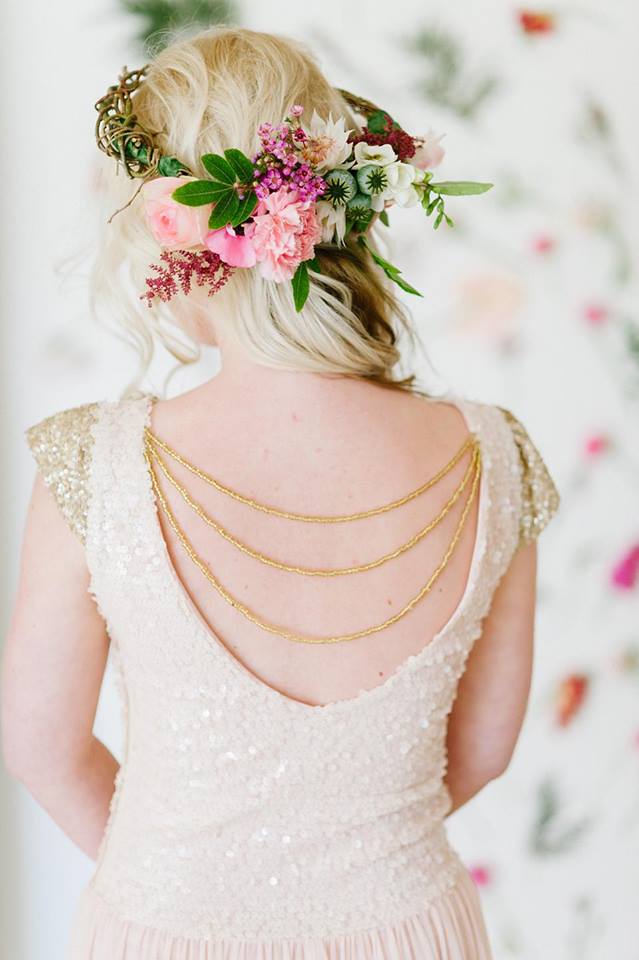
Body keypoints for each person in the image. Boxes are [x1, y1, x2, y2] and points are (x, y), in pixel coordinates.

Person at [1, 26, 559, 960]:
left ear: (172, 226)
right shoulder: (491, 451)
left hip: (166, 930)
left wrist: (174, 876)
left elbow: (39, 746)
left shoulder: (92, 461)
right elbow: (485, 748)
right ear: (340, 200)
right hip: (410, 930)